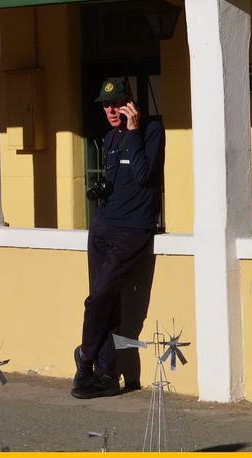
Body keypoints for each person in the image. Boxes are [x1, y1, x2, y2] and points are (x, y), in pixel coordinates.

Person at [73, 77, 164, 400]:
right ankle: (106, 375)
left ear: (130, 103)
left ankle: (84, 360)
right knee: (104, 300)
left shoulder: (151, 132)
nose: (111, 110)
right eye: (106, 105)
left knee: (98, 296)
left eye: (116, 104)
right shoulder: (110, 138)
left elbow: (142, 175)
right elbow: (116, 181)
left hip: (132, 229)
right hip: (103, 227)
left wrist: (135, 130)